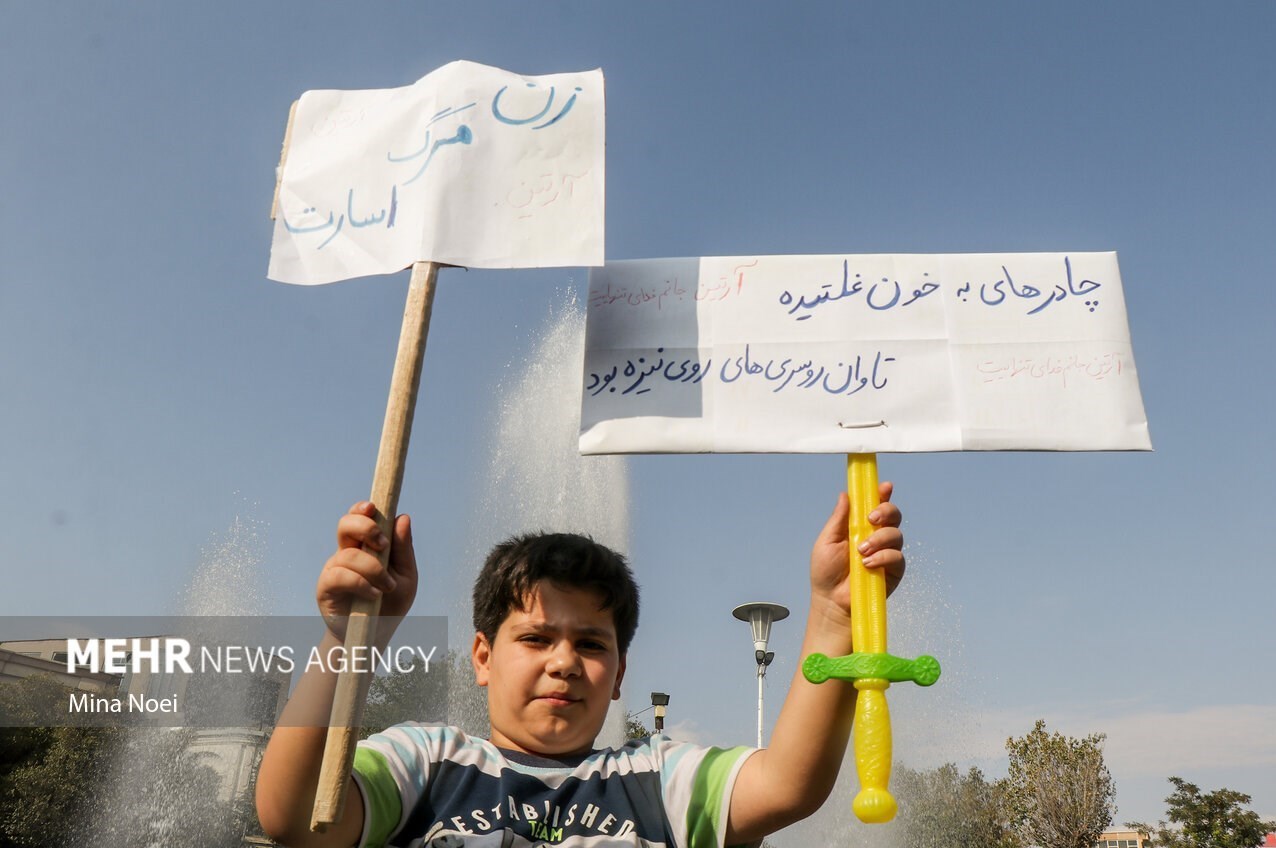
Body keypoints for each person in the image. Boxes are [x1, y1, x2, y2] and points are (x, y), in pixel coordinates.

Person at [256, 485, 904, 847]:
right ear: (482, 657)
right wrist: (349, 641)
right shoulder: (427, 764)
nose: (564, 662)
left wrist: (833, 619)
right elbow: (291, 814)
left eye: (592, 645)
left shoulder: (658, 778)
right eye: (536, 639)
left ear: (620, 674)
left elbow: (789, 785)